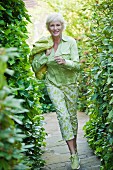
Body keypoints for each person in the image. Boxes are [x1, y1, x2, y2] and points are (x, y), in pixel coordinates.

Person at [31, 12, 80, 169]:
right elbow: (35, 67)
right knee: (63, 116)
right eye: (52, 25)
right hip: (53, 84)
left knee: (72, 118)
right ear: (48, 27)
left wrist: (66, 62)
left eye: (58, 25)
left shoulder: (70, 42)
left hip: (70, 84)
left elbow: (78, 65)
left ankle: (76, 150)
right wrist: (46, 56)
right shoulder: (44, 44)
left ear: (62, 26)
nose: (55, 28)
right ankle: (73, 155)